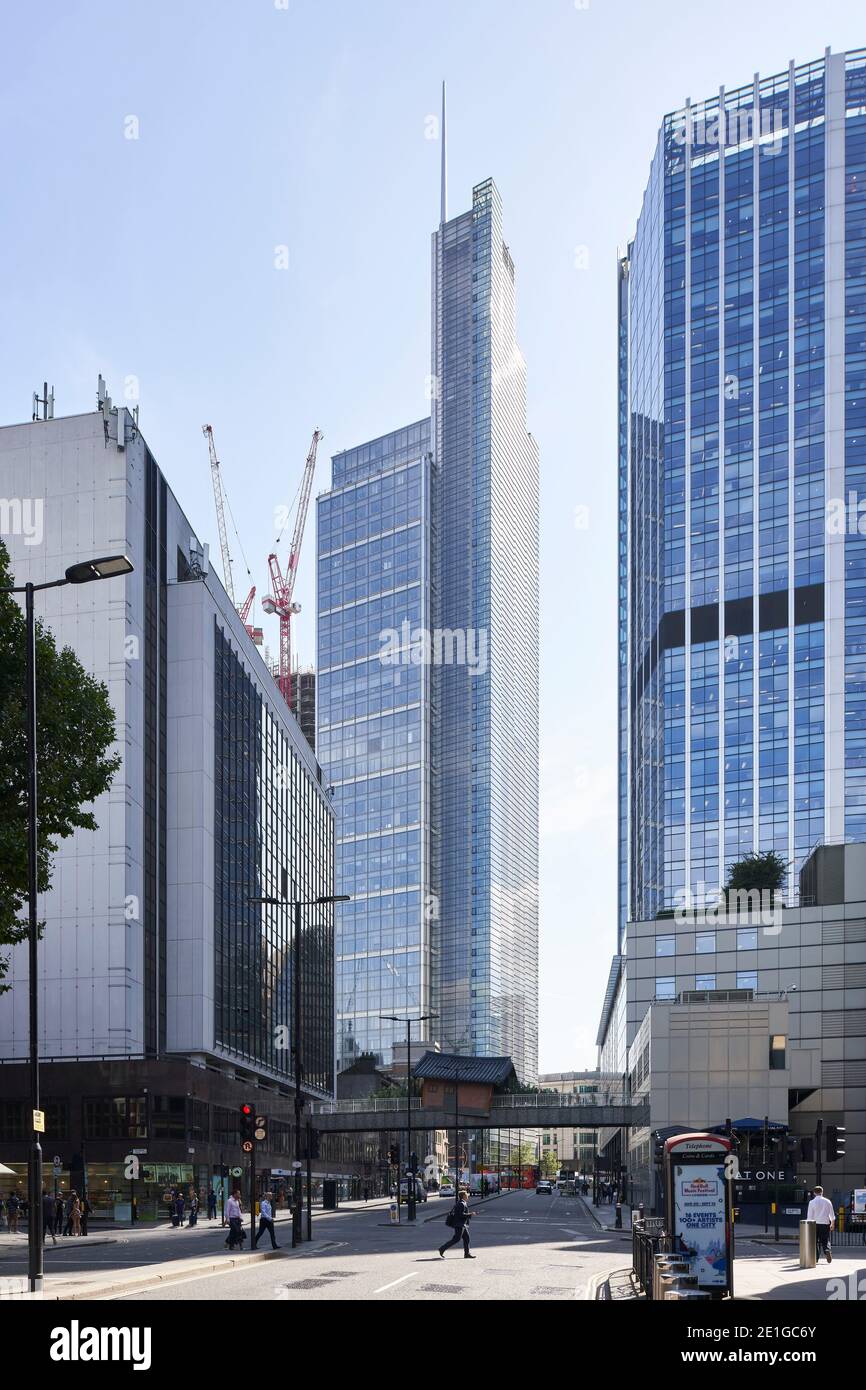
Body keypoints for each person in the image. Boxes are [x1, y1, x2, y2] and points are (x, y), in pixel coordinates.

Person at [438, 1188, 476, 1259]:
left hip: (462, 1224)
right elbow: (460, 1215)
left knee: (467, 1238)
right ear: (463, 1196)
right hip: (459, 1224)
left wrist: (469, 1214)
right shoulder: (461, 1204)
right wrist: (470, 1214)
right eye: (466, 1194)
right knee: (456, 1239)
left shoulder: (462, 1203)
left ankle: (467, 1254)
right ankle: (442, 1249)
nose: (467, 1196)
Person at [806, 1185, 835, 1263]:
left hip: (814, 1224)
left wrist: (808, 1226)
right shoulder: (828, 1201)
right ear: (822, 1192)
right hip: (825, 1223)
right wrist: (832, 1224)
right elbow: (832, 1214)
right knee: (825, 1240)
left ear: (814, 1193)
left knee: (814, 1241)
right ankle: (827, 1250)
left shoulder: (811, 1202)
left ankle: (816, 1258)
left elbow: (810, 1216)